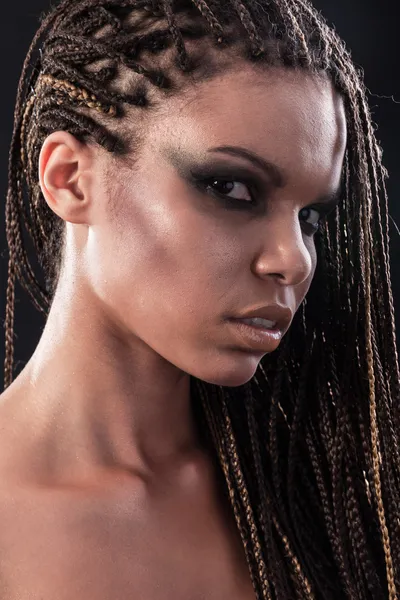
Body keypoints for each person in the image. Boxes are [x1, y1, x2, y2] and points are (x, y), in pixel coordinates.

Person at [1, 0, 399, 598]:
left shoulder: (339, 495)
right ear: (70, 178)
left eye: (311, 215)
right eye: (232, 188)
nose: (292, 259)